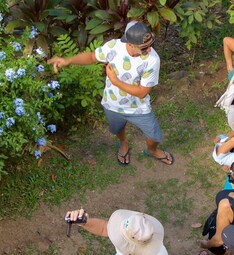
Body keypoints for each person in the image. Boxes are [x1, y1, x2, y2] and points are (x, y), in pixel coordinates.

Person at [48, 22, 173, 166]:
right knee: (117, 129)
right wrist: (68, 60)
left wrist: (115, 81)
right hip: (112, 104)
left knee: (154, 135)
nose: (149, 49)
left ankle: (152, 150)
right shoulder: (114, 47)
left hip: (138, 107)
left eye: (151, 44)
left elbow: (142, 92)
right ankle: (123, 143)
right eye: (144, 47)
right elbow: (91, 57)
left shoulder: (152, 59)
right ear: (130, 44)